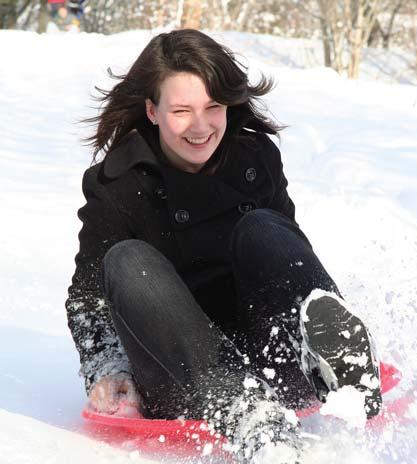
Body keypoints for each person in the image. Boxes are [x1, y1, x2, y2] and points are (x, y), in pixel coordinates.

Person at [66, 29, 382, 462]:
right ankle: (246, 410)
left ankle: (339, 365)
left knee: (264, 228)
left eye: (213, 107)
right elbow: (87, 300)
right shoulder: (119, 183)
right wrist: (108, 367)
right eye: (181, 110)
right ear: (152, 111)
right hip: (185, 376)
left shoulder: (256, 157)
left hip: (275, 360)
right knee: (126, 260)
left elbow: (284, 255)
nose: (201, 127)